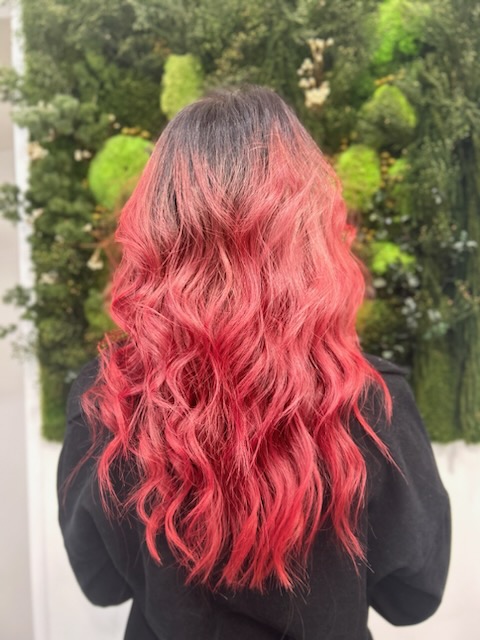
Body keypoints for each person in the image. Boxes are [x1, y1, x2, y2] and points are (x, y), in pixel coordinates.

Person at [57, 86, 451, 640]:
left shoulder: (108, 400)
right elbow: (411, 598)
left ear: (159, 227)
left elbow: (102, 584)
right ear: (307, 226)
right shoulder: (370, 401)